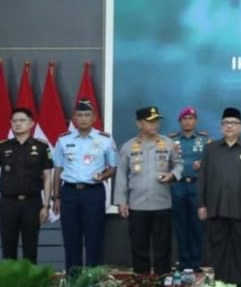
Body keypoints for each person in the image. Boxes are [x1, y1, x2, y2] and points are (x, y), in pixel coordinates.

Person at [198, 107, 241, 285]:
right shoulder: (211, 149)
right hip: (216, 208)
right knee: (217, 248)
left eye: (233, 123)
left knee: (240, 248)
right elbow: (203, 178)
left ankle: (238, 282)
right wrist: (201, 204)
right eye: (226, 123)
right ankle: (220, 282)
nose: (229, 126)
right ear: (221, 126)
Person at [113, 106, 183, 275]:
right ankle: (141, 279)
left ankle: (162, 278)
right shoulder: (128, 146)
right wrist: (121, 201)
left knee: (163, 247)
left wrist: (172, 175)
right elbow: (121, 175)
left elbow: (179, 164)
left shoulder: (168, 143)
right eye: (150, 121)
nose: (154, 124)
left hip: (162, 204)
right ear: (139, 124)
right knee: (139, 247)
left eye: (156, 121)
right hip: (137, 205)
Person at [52, 99, 117, 271]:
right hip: (69, 192)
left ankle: (93, 278)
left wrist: (103, 176)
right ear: (74, 118)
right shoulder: (63, 139)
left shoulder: (105, 139)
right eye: (79, 115)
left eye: (87, 115)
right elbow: (58, 170)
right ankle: (74, 278)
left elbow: (113, 168)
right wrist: (56, 197)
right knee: (71, 238)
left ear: (94, 117)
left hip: (93, 192)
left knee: (94, 238)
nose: (83, 119)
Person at [0, 108, 53, 262]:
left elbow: (47, 177)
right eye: (14, 121)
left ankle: (29, 277)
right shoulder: (3, 147)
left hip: (32, 202)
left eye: (22, 120)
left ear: (31, 123)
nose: (18, 124)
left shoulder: (41, 147)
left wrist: (46, 205)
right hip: (8, 202)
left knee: (31, 246)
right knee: (8, 246)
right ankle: (9, 277)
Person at [168, 107, 211, 271]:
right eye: (184, 119)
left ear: (196, 121)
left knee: (197, 225)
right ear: (180, 122)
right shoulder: (171, 140)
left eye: (191, 118)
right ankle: (184, 262)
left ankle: (196, 263)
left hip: (196, 186)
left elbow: (213, 162)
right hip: (177, 185)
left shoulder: (205, 140)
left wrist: (203, 165)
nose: (188, 122)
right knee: (181, 226)